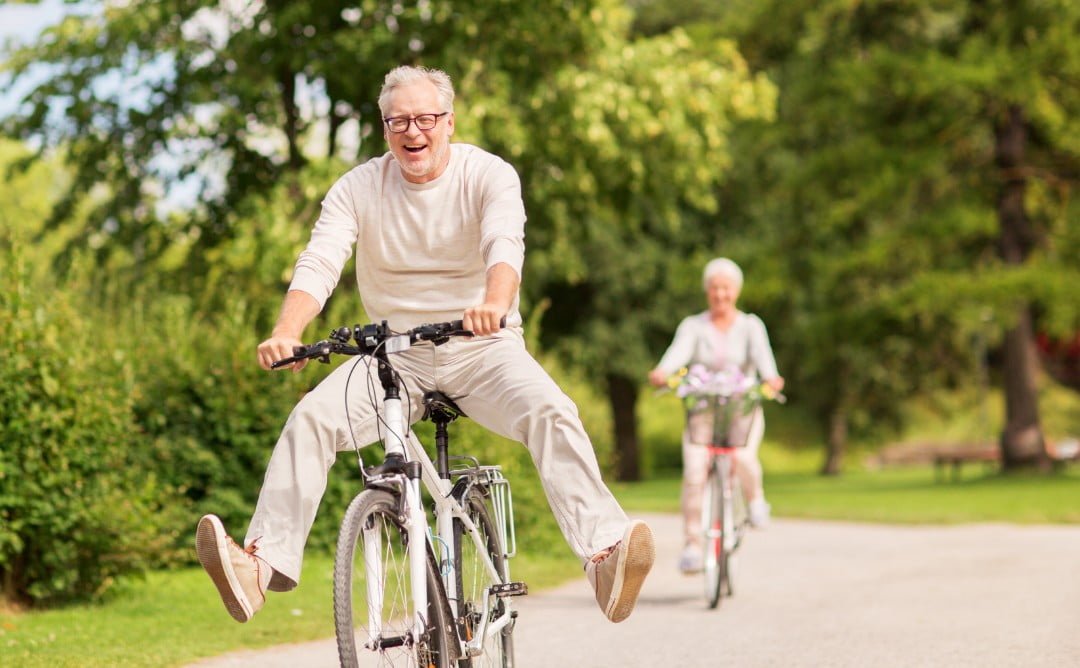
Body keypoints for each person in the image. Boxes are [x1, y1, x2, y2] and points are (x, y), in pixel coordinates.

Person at [194, 65, 654, 625]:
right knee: (311, 418)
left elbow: (505, 245)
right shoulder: (359, 186)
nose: (414, 132)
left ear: (449, 122)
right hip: (394, 356)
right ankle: (259, 569)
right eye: (399, 122)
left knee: (551, 410)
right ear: (385, 129)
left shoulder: (488, 174)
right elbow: (320, 260)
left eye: (425, 119)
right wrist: (287, 331)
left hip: (482, 347)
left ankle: (604, 557)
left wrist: (494, 302)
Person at [648, 257, 784, 574]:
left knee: (743, 457)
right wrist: (663, 371)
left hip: (741, 409)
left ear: (736, 291)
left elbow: (766, 362)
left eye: (726, 288)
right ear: (707, 291)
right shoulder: (693, 326)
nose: (720, 294)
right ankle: (693, 545)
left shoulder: (751, 326)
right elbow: (676, 354)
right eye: (714, 288)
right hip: (704, 411)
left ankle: (755, 501)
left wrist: (771, 379)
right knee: (695, 472)